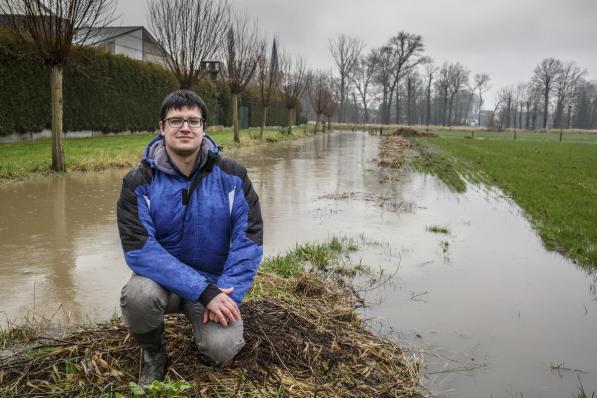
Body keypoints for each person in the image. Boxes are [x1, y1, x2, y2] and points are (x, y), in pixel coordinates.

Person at [116, 89, 263, 385]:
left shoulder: (233, 175)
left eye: (193, 121)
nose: (185, 127)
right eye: (176, 120)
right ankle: (154, 353)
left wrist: (224, 293)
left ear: (203, 128)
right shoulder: (138, 182)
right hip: (162, 284)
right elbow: (140, 250)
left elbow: (249, 240)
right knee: (138, 296)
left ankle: (206, 345)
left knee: (223, 350)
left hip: (214, 282)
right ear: (161, 128)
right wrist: (202, 291)